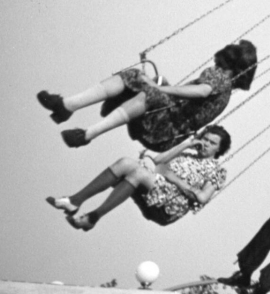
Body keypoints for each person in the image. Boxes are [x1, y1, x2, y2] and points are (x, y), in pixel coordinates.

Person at [38, 40, 257, 150]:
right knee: (142, 79)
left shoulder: (219, 76)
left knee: (148, 88)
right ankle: (66, 107)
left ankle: (84, 130)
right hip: (164, 135)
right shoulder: (226, 90)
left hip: (163, 129)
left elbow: (201, 91)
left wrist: (159, 88)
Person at [46, 125, 230, 231]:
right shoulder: (186, 155)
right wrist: (187, 144)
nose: (205, 144)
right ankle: (76, 203)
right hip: (156, 190)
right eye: (205, 139)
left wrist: (173, 178)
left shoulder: (217, 171)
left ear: (219, 149)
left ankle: (92, 215)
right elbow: (158, 161)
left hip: (170, 206)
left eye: (211, 142)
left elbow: (203, 197)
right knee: (126, 162)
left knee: (138, 172)